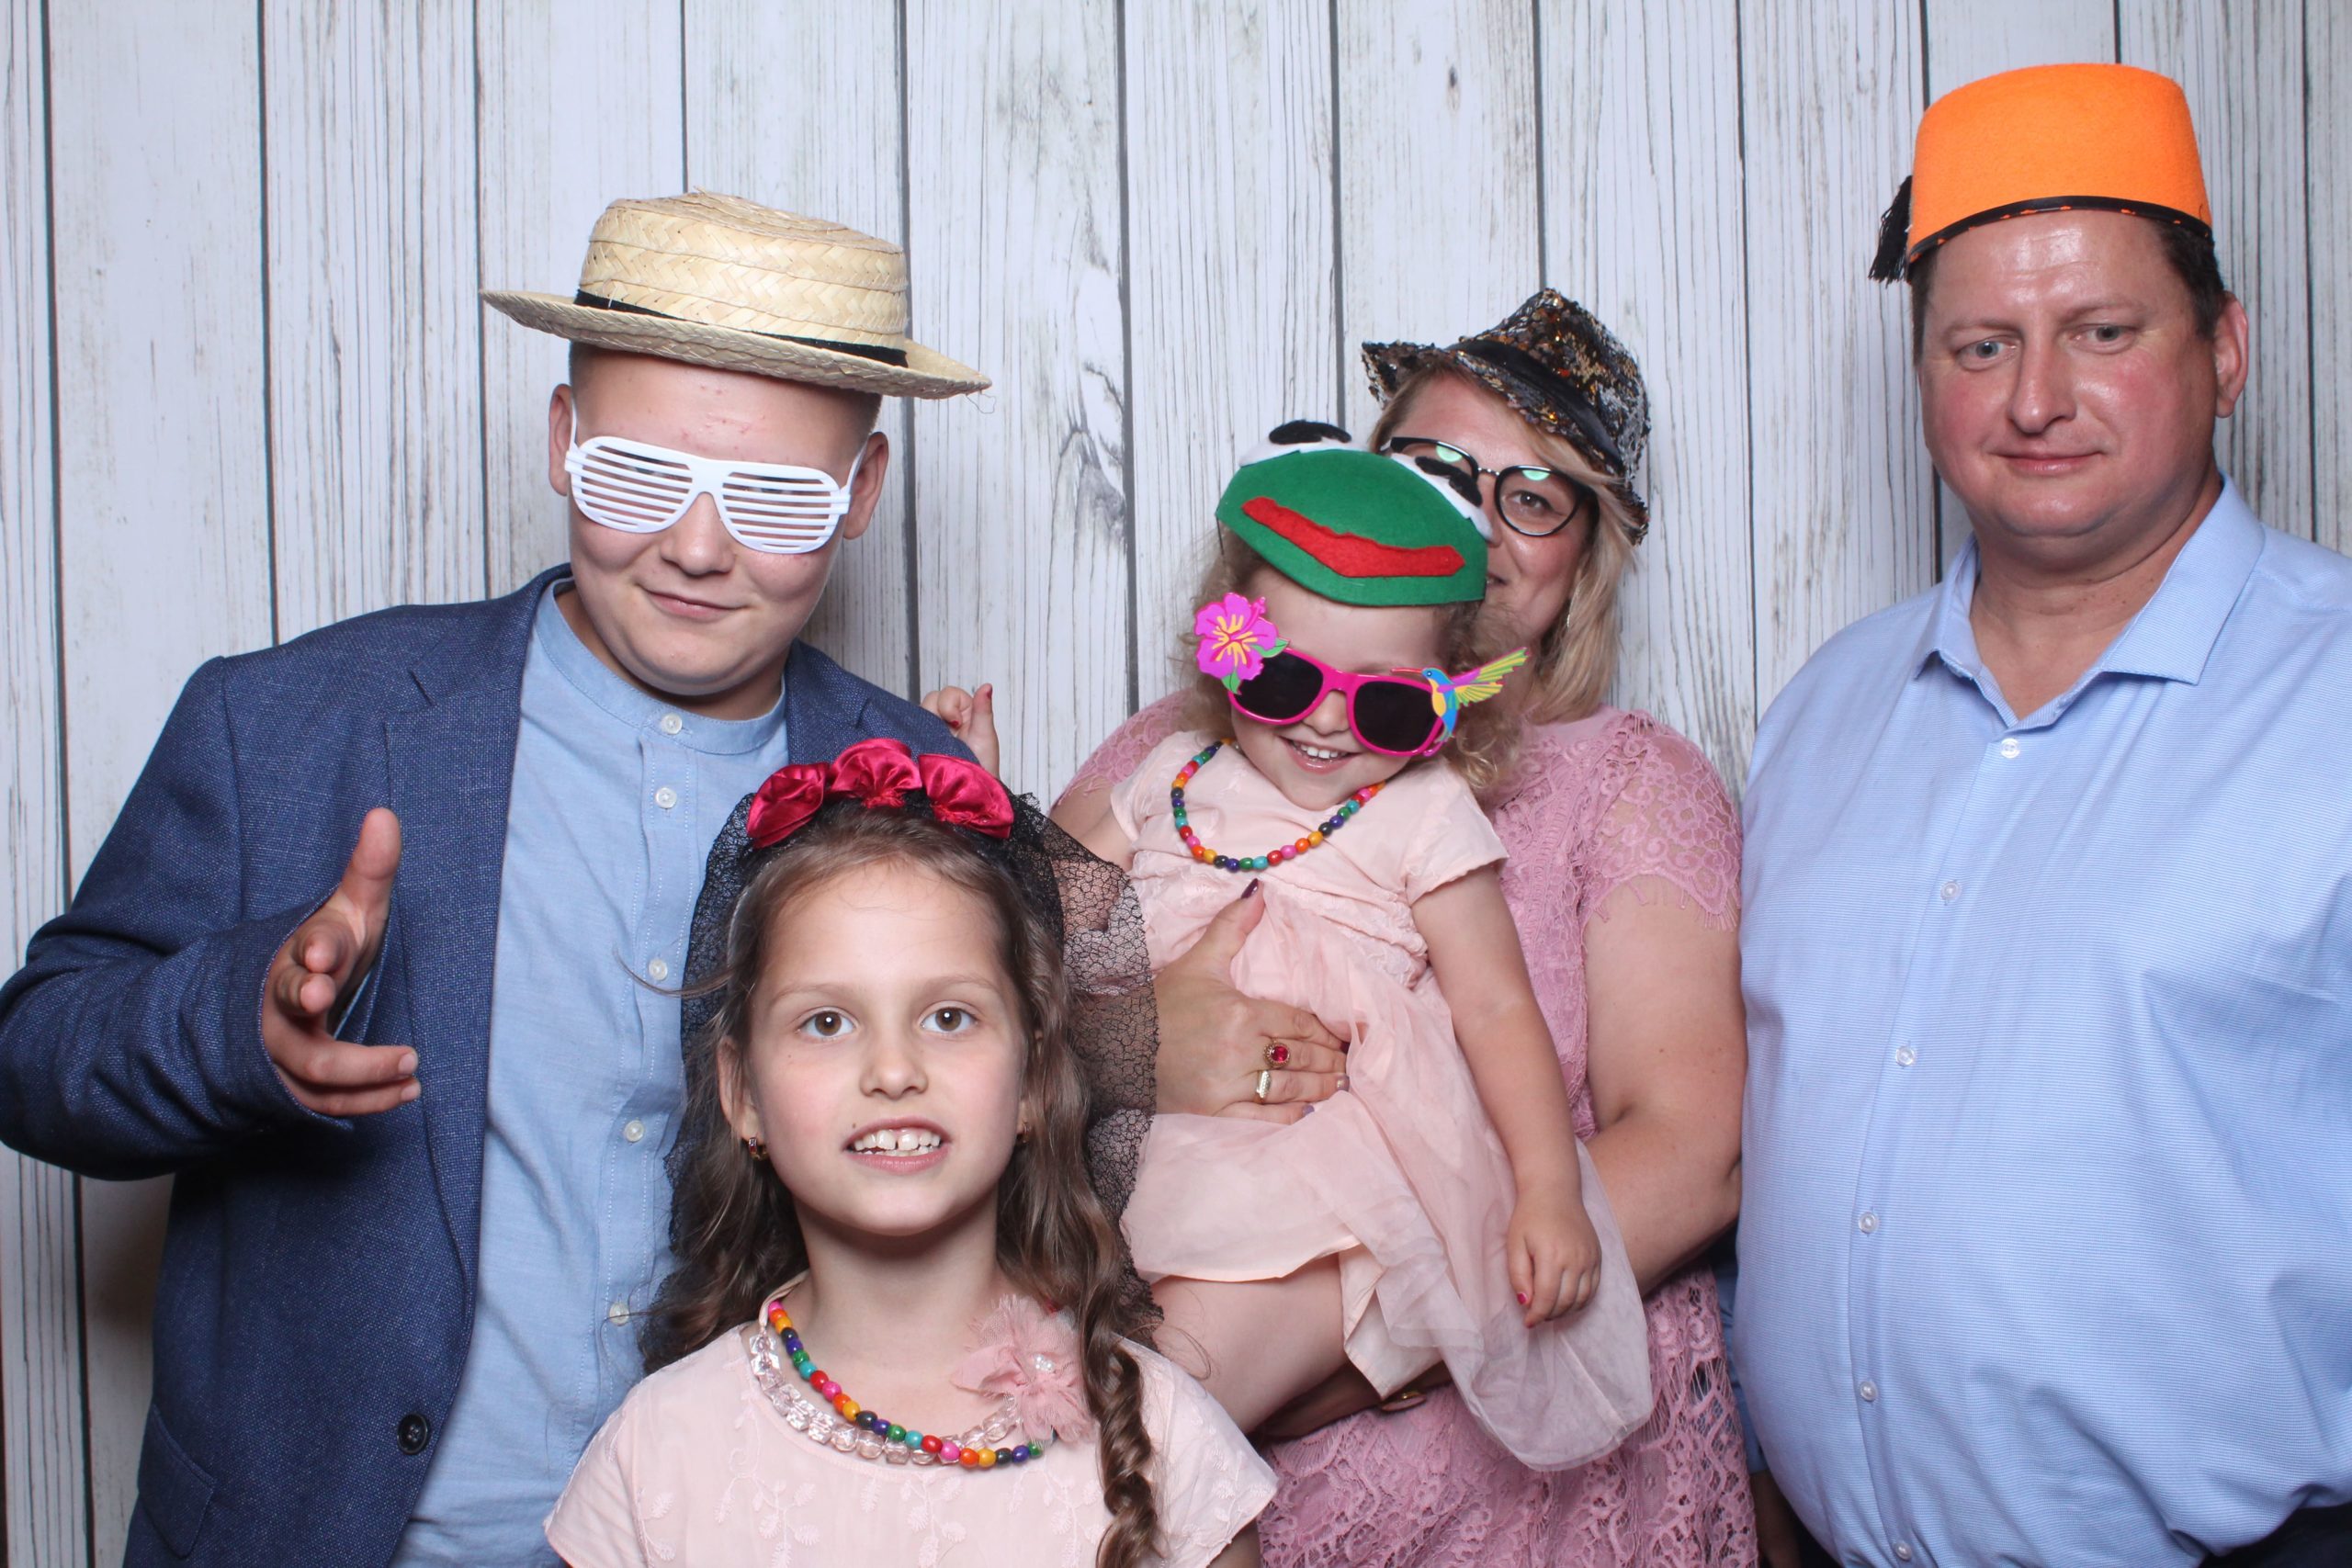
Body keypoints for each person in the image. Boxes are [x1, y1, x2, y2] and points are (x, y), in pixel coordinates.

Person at [0, 193, 986, 1566]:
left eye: (773, 498)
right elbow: (37, 1053)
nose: (697, 547)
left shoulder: (920, 784)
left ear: (862, 492)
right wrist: (240, 1024)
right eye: (638, 476)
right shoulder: (287, 722)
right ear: (563, 440)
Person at [942, 292, 1752, 1564]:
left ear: (1590, 548)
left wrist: (1377, 1327)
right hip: (1150, 1236)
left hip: (1457, 1431)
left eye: (1532, 494)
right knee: (1011, 1444)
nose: (1473, 514)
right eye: (1433, 467)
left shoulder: (1621, 778)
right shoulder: (1184, 747)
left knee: (1107, 1448)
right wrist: (1129, 1039)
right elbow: (1006, 957)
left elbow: (1691, 1153)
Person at [1736, 64, 2352, 1566]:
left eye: (2103, 332)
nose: (2034, 400)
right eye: (1982, 345)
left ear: (2226, 350)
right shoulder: (1825, 712)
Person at [1055, 435, 1655, 1463]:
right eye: (1286, 681)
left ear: (1446, 698)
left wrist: (1549, 1185)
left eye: (1385, 701)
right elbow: (1033, 919)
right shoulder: (1171, 775)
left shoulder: (1422, 816)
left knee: (1150, 1419)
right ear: (1227, 649)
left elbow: (1496, 1008)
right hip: (1119, 1154)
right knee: (1034, 1379)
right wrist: (972, 821)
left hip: (1309, 1179)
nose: (1330, 722)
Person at [547, 739, 1272, 1566]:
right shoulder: (655, 1454)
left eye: (949, 1017)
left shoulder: (1168, 1439)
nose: (893, 1071)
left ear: (1033, 1077)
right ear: (742, 1092)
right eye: (826, 1022)